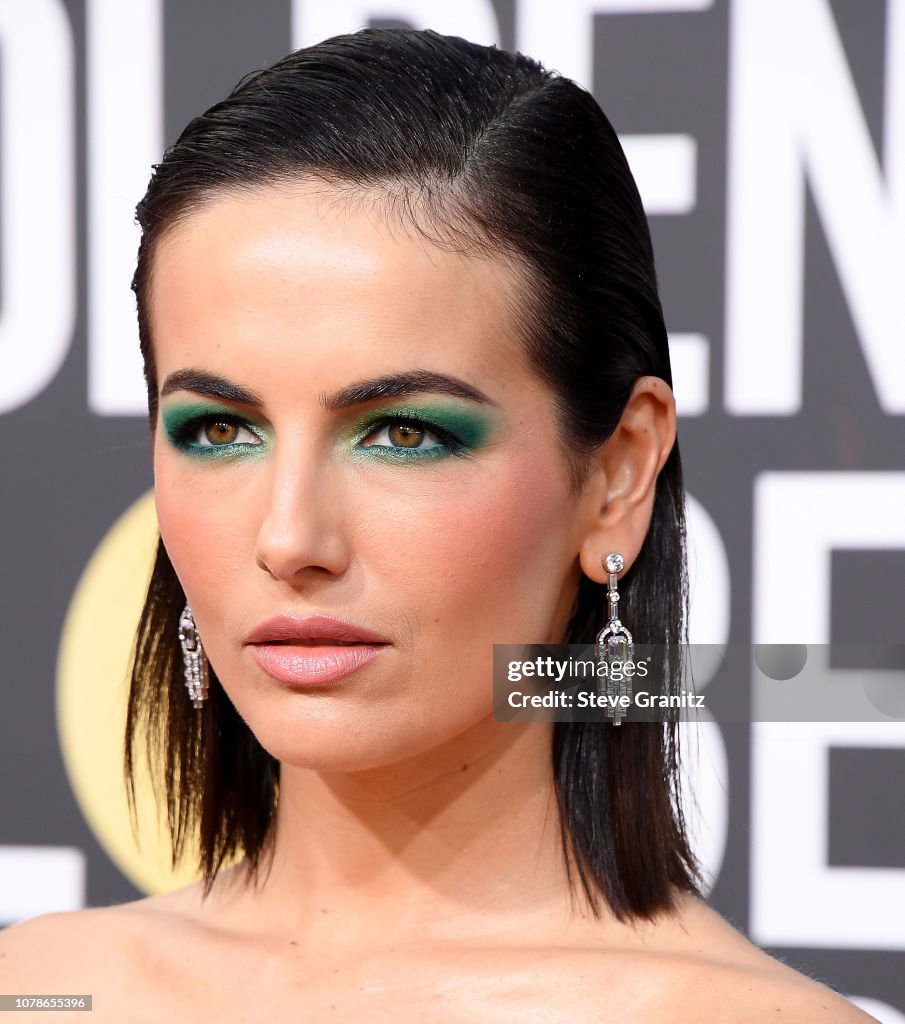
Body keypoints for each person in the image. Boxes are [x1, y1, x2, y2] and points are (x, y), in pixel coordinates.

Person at [0, 27, 876, 1022]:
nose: (289, 539)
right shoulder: (40, 988)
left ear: (617, 473)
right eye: (219, 427)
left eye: (403, 432)